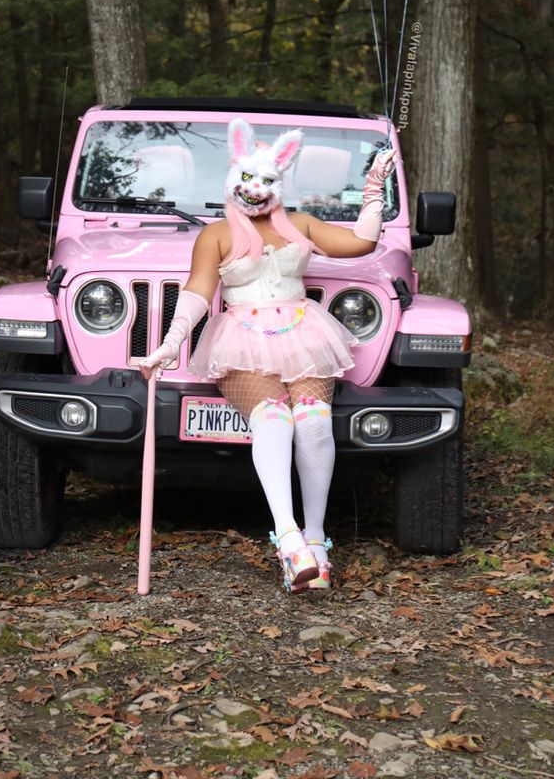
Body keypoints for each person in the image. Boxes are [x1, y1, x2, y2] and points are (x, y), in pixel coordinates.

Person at [140, 118, 395, 593]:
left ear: (280, 182)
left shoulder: (300, 225)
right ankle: (290, 541)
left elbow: (362, 242)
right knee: (274, 419)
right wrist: (169, 345)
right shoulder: (217, 234)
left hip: (302, 332)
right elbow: (198, 292)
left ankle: (318, 540)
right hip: (243, 336)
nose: (255, 189)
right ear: (232, 178)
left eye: (266, 180)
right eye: (247, 178)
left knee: (315, 419)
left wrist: (374, 187)